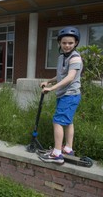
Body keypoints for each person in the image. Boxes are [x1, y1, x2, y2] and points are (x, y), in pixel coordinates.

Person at [39, 26, 83, 164]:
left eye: (70, 43)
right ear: (59, 43)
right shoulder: (61, 57)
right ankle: (68, 148)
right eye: (64, 43)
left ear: (76, 43)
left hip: (70, 94)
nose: (67, 45)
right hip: (64, 94)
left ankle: (57, 154)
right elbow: (61, 75)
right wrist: (48, 81)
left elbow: (70, 77)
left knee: (58, 121)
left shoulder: (75, 58)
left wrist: (52, 88)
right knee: (68, 121)